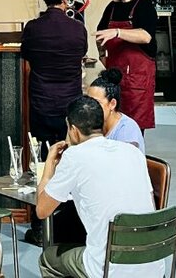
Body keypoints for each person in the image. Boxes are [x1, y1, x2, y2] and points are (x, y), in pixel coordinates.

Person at [36, 96, 162, 278]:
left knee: (48, 260)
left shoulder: (74, 157)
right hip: (153, 265)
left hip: (108, 269)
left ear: (73, 130)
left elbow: (42, 210)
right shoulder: (132, 152)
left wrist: (48, 168)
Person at [20, 0, 88, 245]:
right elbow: (81, 53)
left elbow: (26, 55)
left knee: (42, 165)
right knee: (71, 163)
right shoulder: (76, 29)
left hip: (41, 103)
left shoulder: (33, 29)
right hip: (70, 108)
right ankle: (70, 226)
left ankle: (40, 226)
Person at [94, 0, 157, 132]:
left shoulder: (144, 5)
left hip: (137, 80)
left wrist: (118, 32)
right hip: (115, 78)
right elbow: (100, 34)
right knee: (111, 126)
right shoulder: (112, 8)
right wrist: (102, 55)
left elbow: (146, 36)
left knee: (133, 129)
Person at [87, 68, 145, 153]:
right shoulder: (90, 124)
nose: (89, 107)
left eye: (96, 103)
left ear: (112, 104)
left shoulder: (127, 130)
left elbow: (125, 163)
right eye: (88, 101)